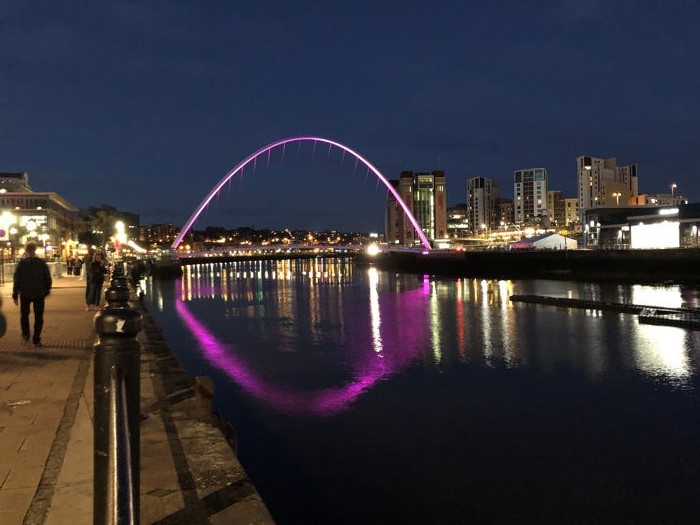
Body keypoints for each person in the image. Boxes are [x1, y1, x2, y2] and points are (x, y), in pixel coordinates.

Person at [12, 242, 52, 346]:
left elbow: (17, 279)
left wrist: (15, 294)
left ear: (26, 251)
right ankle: (36, 339)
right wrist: (47, 290)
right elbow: (47, 278)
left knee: (24, 315)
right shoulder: (41, 263)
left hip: (25, 293)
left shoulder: (22, 264)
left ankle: (26, 334)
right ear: (35, 250)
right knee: (39, 317)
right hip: (39, 293)